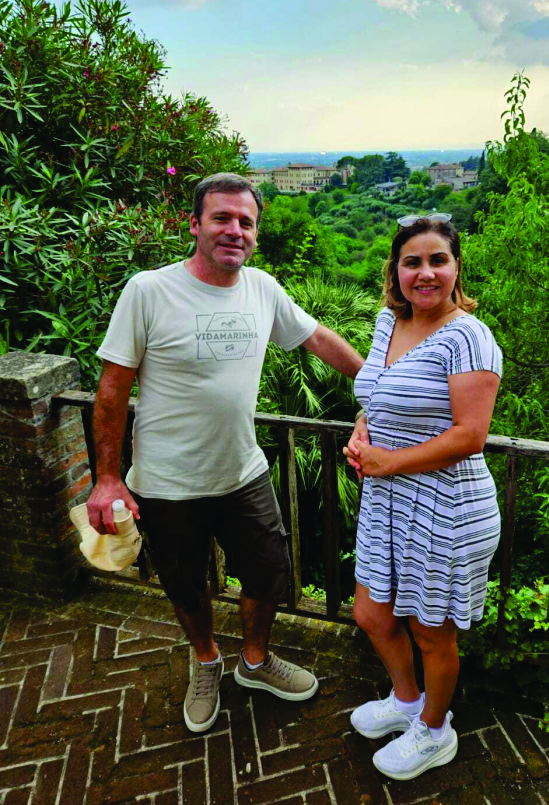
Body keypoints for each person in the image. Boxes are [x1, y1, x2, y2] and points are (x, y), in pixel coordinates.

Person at [88, 172, 364, 734]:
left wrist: (379, 385)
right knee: (185, 583)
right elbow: (112, 389)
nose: (235, 230)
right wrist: (108, 479)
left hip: (244, 474)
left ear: (256, 233)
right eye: (222, 218)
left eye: (246, 222)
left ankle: (255, 662)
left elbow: (317, 338)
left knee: (269, 573)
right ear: (195, 224)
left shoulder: (262, 288)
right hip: (167, 485)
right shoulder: (149, 289)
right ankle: (207, 659)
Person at [343, 214, 502, 781]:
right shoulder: (390, 323)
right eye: (413, 261)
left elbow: (470, 435)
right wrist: (364, 429)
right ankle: (407, 702)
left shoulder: (468, 336)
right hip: (388, 503)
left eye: (438, 260)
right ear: (397, 271)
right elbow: (380, 394)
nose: (425, 273)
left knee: (432, 629)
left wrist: (390, 461)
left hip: (447, 506)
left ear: (456, 269)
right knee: (371, 611)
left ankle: (436, 731)